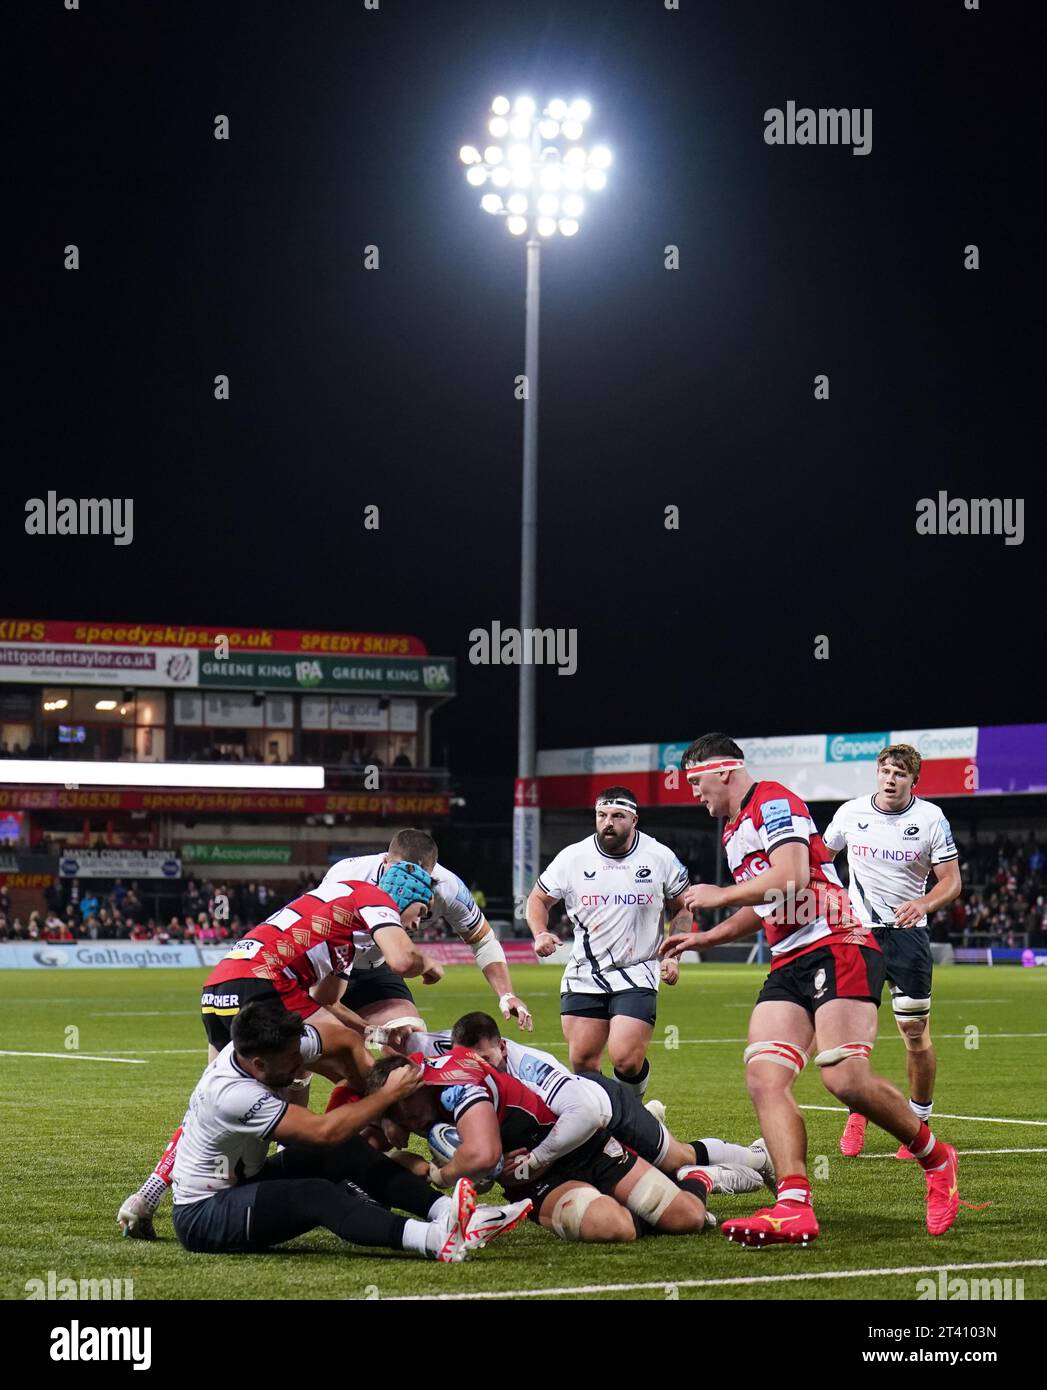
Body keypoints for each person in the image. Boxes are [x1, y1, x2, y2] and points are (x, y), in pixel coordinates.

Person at [660, 732, 961, 1245]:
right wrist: (706, 938)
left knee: (844, 1079)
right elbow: (767, 904)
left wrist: (720, 895)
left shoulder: (773, 800)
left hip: (837, 943)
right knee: (764, 1077)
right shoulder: (733, 830)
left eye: (695, 781)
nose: (694, 793)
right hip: (788, 959)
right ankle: (793, 1205)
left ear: (724, 771)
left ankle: (937, 1158)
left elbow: (793, 876)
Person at [117, 859, 441, 1238]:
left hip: (221, 985)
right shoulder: (374, 895)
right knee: (349, 1061)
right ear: (403, 894)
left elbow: (327, 998)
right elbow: (402, 959)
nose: (417, 924)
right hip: (264, 982)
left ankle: (147, 1195)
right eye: (421, 912)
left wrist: (372, 1031)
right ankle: (404, 1129)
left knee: (210, 1099)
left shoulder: (343, 925)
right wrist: (428, 963)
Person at [168, 1000, 518, 1261]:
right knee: (316, 1193)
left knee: (346, 1150)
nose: (301, 1063)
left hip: (244, 1178)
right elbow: (323, 1131)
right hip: (203, 1213)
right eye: (292, 1059)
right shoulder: (233, 1095)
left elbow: (344, 1039)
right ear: (259, 1065)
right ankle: (435, 1240)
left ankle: (453, 1213)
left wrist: (384, 1110)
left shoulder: (266, 1047)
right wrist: (386, 1096)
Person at [371, 1011, 774, 1197]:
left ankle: (757, 1158)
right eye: (470, 1058)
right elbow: (400, 1046)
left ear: (503, 1047)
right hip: (568, 1132)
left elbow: (579, 1114)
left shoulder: (532, 1066)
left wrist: (535, 1159)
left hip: (600, 1110)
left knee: (676, 1159)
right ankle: (701, 1173)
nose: (479, 1066)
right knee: (642, 1182)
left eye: (488, 1058)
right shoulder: (452, 1056)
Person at [366, 1049, 710, 1244]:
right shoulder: (418, 1089)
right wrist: (388, 1121)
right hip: (538, 1182)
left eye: (401, 1105)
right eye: (393, 1110)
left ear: (416, 1084)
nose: (406, 1118)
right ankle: (615, 1203)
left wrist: (440, 1175)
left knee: (688, 1219)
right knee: (613, 1227)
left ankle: (696, 1177)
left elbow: (482, 1156)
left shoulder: (456, 1084)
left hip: (578, 1145)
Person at [822, 744, 962, 1159]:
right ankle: (858, 1111)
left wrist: (924, 904)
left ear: (913, 780)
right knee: (852, 1035)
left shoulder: (930, 818)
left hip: (908, 937)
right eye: (885, 771)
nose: (890, 779)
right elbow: (821, 860)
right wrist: (832, 900)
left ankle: (918, 1122)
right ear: (877, 773)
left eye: (900, 774)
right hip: (858, 935)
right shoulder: (850, 813)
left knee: (914, 1032)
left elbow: (951, 881)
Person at [525, 787, 691, 1098]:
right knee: (583, 1062)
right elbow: (537, 899)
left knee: (626, 1059)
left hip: (637, 969)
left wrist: (673, 954)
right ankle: (610, 1122)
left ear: (634, 820)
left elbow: (682, 906)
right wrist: (540, 932)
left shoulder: (659, 856)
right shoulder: (573, 857)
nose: (608, 823)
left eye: (617, 816)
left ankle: (634, 1116)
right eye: (601, 815)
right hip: (584, 971)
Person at [319, 828, 533, 1033]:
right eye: (400, 872)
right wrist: (427, 964)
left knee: (408, 1036)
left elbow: (483, 939)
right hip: (328, 964)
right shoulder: (347, 873)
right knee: (320, 1046)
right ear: (385, 861)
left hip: (377, 966)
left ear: (431, 872)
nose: (407, 881)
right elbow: (401, 962)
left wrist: (506, 994)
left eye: (419, 879)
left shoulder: (448, 888)